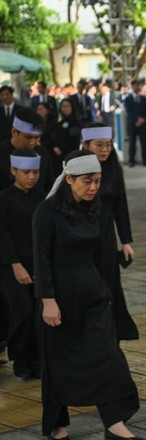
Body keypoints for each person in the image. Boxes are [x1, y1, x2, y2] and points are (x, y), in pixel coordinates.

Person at [34, 150, 146, 440]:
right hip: (59, 301)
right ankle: (57, 425)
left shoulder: (95, 209)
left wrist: (109, 293)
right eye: (87, 181)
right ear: (68, 178)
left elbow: (103, 256)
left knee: (108, 360)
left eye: (97, 181)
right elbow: (41, 261)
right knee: (57, 364)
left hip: (94, 298)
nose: (94, 187)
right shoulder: (46, 213)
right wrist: (48, 301)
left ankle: (114, 424)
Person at [79, 123, 139, 342]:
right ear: (86, 145)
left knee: (109, 282)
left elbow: (120, 207)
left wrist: (126, 241)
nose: (104, 150)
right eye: (99, 145)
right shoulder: (75, 169)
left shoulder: (113, 168)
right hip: (81, 235)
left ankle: (110, 331)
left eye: (109, 145)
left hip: (105, 236)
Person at [0, 149, 44, 379]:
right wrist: (16, 265)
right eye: (26, 172)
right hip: (11, 268)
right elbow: (3, 235)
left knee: (38, 314)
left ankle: (36, 359)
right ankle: (20, 357)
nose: (31, 177)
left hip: (37, 267)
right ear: (13, 171)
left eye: (35, 172)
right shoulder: (4, 199)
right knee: (23, 312)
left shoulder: (41, 199)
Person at [0, 108, 55, 193]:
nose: (33, 142)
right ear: (14, 132)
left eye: (37, 137)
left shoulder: (42, 153)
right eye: (28, 137)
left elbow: (50, 185)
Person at [49, 98, 83, 176]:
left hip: (69, 154)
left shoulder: (75, 122)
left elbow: (73, 139)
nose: (65, 109)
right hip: (57, 155)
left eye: (67, 106)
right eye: (63, 106)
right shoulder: (60, 122)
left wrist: (61, 149)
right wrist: (55, 146)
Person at [123, 79, 146, 167]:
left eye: (138, 85)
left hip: (142, 124)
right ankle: (131, 160)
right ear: (132, 86)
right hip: (133, 124)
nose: (137, 87)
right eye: (135, 85)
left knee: (144, 142)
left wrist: (142, 119)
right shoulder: (128, 98)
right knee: (132, 142)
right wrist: (136, 119)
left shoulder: (144, 98)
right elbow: (129, 111)